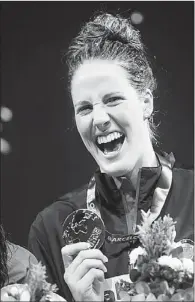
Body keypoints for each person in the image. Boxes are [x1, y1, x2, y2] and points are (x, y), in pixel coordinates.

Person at [28, 12, 194, 302]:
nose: (99, 119)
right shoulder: (52, 229)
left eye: (112, 99)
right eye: (84, 108)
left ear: (146, 101)